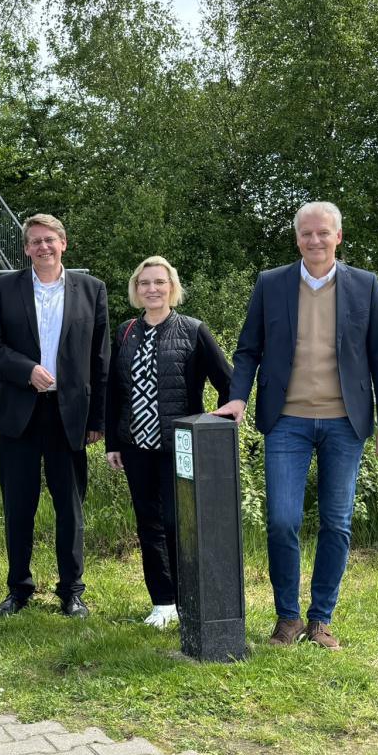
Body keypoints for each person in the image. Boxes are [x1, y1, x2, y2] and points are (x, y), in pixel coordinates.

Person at [214, 201, 378, 650]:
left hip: (345, 422)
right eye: (306, 233)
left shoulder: (365, 285)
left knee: (336, 523)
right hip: (286, 421)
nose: (314, 240)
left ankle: (321, 620)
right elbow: (248, 349)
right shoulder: (271, 283)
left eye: (323, 233)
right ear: (297, 238)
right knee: (282, 521)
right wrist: (237, 396)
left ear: (338, 236)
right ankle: (288, 618)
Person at [0, 214, 110, 618]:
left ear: (63, 243)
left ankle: (72, 591)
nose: (43, 247)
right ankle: (19, 589)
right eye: (35, 241)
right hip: (20, 412)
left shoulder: (91, 289)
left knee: (70, 508)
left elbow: (101, 359)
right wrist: (26, 370)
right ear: (26, 249)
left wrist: (97, 420)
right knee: (19, 507)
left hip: (69, 415)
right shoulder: (5, 288)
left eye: (49, 239)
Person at [104, 257, 232, 628]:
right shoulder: (126, 331)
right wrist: (113, 441)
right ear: (136, 289)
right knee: (149, 524)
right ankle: (162, 602)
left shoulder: (193, 330)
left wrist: (214, 429)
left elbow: (228, 381)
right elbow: (114, 391)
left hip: (180, 447)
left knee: (180, 524)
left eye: (159, 282)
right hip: (135, 447)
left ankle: (189, 598)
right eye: (144, 283)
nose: (152, 289)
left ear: (171, 287)